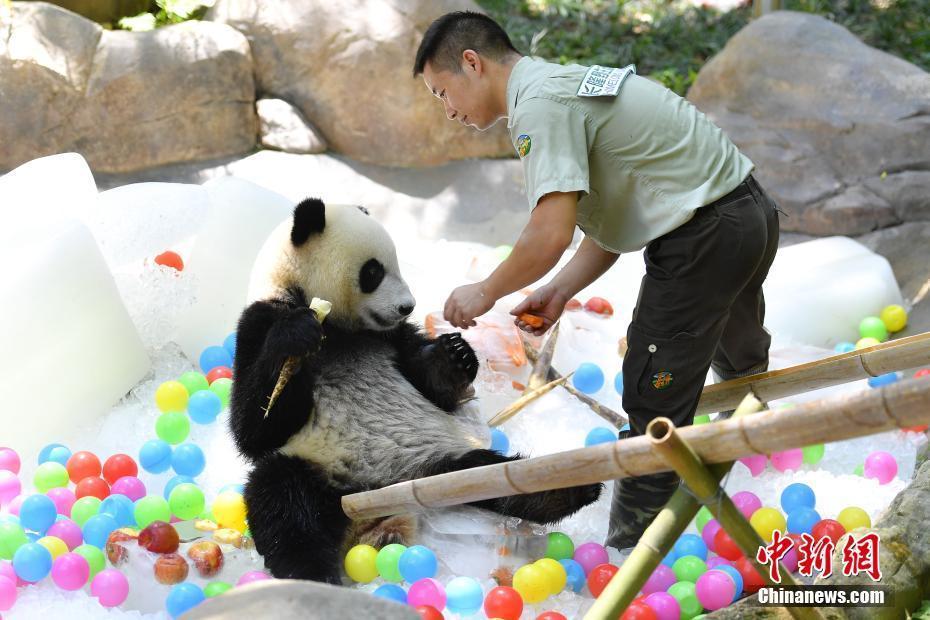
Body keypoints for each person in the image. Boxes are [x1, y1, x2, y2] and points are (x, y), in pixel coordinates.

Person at [413, 11, 781, 550]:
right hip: (747, 214)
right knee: (738, 361)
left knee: (652, 400)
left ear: (473, 63)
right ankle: (750, 449)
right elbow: (616, 217)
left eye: (443, 92)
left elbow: (549, 232)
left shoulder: (538, 107)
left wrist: (485, 290)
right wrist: (560, 290)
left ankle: (631, 556)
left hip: (704, 236)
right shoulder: (558, 84)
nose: (448, 110)